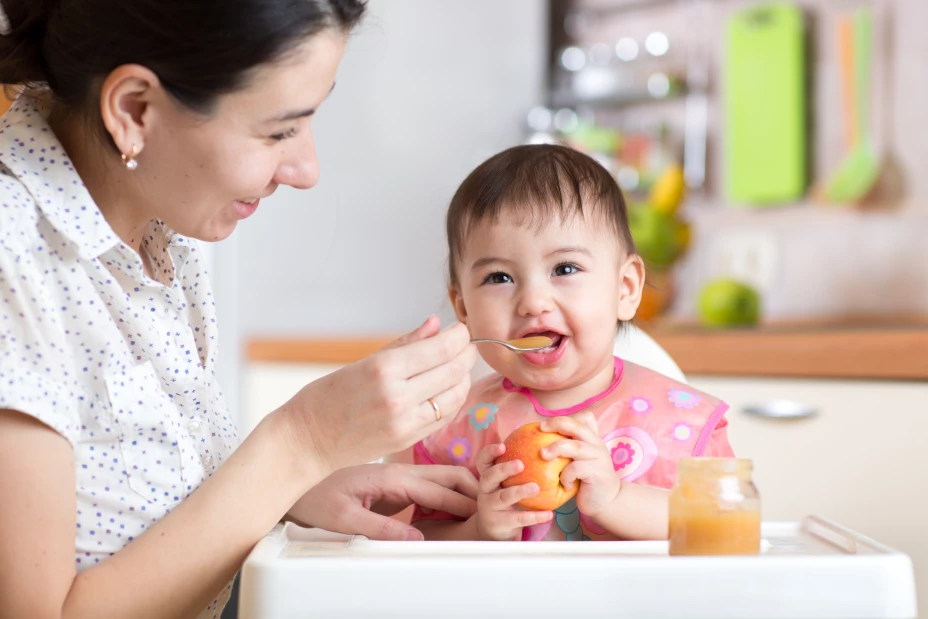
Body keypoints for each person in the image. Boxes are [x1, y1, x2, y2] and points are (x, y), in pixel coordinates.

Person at [0, 1, 480, 618]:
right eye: (279, 130)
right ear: (134, 111)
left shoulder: (161, 233)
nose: (306, 170)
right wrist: (300, 443)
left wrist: (289, 497)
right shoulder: (16, 260)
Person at [411, 144, 735, 541]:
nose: (533, 302)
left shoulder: (679, 422)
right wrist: (478, 530)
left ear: (625, 288)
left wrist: (615, 500)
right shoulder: (456, 427)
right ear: (462, 307)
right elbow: (417, 539)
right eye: (499, 277)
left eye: (564, 268)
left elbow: (721, 524)